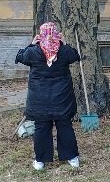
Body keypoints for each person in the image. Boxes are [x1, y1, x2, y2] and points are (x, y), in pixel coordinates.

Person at [15, 22, 82, 171]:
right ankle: (71, 157)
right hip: (62, 97)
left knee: (41, 128)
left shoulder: (33, 52)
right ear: (56, 34)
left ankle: (40, 160)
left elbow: (20, 56)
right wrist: (64, 43)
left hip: (40, 98)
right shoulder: (64, 51)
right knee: (64, 126)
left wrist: (31, 44)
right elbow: (76, 56)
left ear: (41, 34)